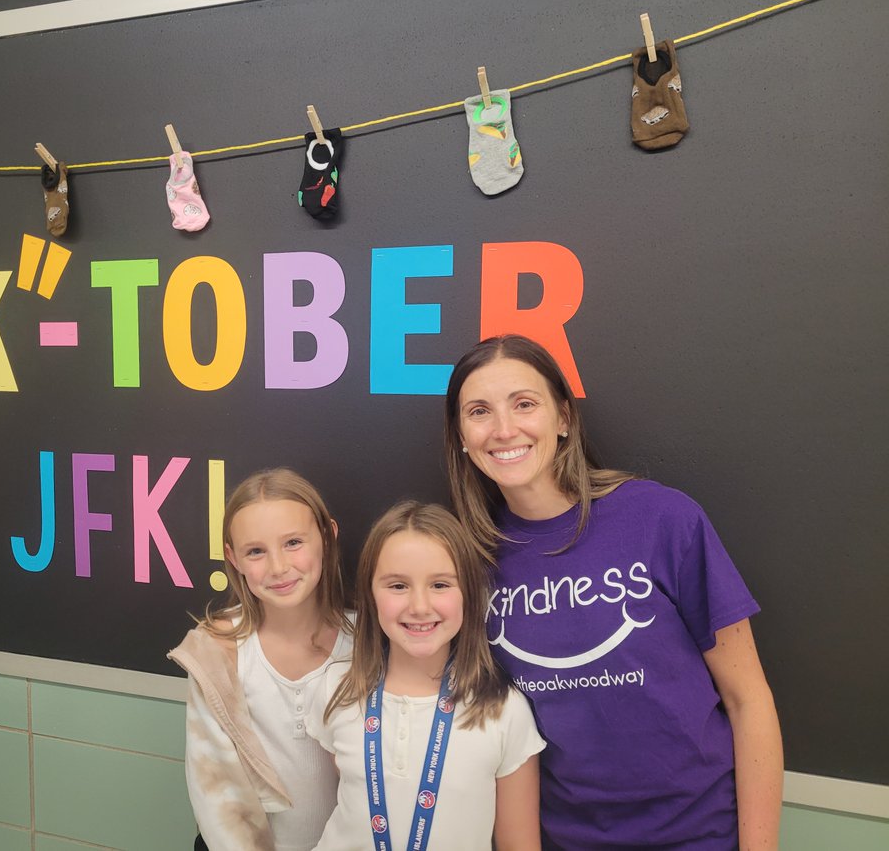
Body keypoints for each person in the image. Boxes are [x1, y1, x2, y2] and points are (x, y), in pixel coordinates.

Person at [444, 334, 783, 850]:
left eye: (524, 404)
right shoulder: (467, 561)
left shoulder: (661, 518)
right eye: (479, 412)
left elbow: (747, 699)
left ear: (563, 419)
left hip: (701, 834)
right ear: (462, 437)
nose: (504, 429)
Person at [308, 501, 544, 850]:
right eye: (398, 586)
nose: (419, 606)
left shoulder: (502, 711)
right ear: (370, 595)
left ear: (469, 593)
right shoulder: (337, 689)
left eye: (440, 585)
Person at [168, 468, 353, 851]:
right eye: (256, 551)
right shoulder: (217, 652)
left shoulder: (366, 643)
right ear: (233, 558)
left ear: (327, 537)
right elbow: (216, 797)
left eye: (293, 543)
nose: (278, 567)